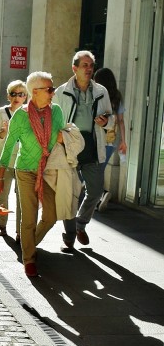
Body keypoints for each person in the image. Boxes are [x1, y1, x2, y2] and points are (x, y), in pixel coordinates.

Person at [0, 72, 65, 278]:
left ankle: (29, 244)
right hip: (25, 170)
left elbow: (63, 136)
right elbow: (8, 147)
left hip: (48, 171)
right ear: (35, 92)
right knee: (29, 218)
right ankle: (29, 259)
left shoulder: (57, 112)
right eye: (49, 89)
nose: (53, 93)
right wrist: (0, 177)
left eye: (52, 89)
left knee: (51, 216)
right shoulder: (21, 116)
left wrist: (63, 138)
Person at [53, 50, 111, 248]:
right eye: (84, 65)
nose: (88, 69)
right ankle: (69, 236)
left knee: (95, 191)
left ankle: (80, 224)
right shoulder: (61, 92)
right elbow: (53, 121)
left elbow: (110, 119)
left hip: (92, 147)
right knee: (69, 195)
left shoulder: (101, 91)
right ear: (74, 68)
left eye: (91, 66)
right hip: (69, 147)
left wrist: (105, 122)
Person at [0, 79, 27, 237]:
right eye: (13, 93)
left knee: (22, 199)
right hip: (4, 162)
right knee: (2, 195)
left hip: (23, 161)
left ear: (26, 96)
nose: (17, 97)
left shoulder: (29, 113)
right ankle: (2, 225)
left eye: (21, 94)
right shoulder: (1, 112)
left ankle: (20, 231)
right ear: (8, 96)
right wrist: (2, 133)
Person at [94, 66, 127, 211]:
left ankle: (102, 194)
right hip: (112, 139)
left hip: (99, 137)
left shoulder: (99, 94)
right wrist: (123, 141)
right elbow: (121, 120)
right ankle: (99, 195)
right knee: (98, 169)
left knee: (94, 170)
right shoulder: (117, 96)